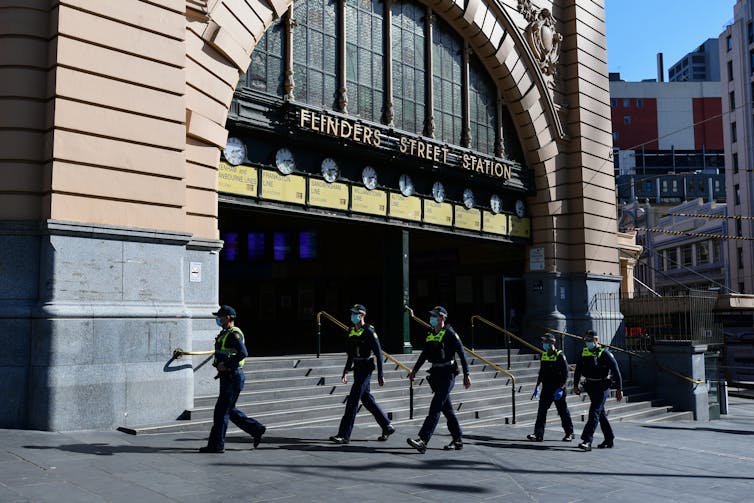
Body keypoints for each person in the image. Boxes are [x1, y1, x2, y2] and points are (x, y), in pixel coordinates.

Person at [199, 305, 266, 453]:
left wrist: (227, 365)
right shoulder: (225, 333)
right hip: (229, 376)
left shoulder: (233, 334)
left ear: (228, 317)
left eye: (220, 316)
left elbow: (243, 352)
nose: (218, 318)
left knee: (221, 412)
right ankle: (256, 429)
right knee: (229, 410)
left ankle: (216, 445)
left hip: (232, 376)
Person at [407, 306, 471, 453]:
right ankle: (458, 439)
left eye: (435, 316)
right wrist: (414, 370)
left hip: (448, 375)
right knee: (447, 409)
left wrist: (467, 374)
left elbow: (461, 353)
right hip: (436, 374)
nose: (432, 318)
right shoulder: (430, 333)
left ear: (442, 318)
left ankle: (423, 440)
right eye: (432, 316)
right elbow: (424, 354)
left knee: (435, 407)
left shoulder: (450, 333)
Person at [329, 304, 395, 444]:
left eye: (356, 314)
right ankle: (387, 425)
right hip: (357, 368)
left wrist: (380, 374)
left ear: (362, 315)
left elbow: (378, 353)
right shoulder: (352, 331)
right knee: (367, 399)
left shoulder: (369, 331)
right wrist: (346, 371)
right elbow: (351, 353)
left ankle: (344, 435)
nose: (353, 316)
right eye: (352, 313)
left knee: (352, 401)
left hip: (366, 368)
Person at [572, 329, 623, 451]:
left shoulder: (605, 353)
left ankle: (587, 441)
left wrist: (619, 389)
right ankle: (609, 438)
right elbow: (578, 370)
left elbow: (616, 372)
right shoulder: (584, 352)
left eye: (590, 340)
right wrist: (575, 385)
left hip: (602, 386)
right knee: (600, 414)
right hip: (590, 386)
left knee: (594, 411)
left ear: (596, 340)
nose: (587, 343)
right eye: (586, 340)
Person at [526, 333, 575, 442]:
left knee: (562, 411)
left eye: (546, 342)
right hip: (547, 388)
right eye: (543, 342)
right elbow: (542, 372)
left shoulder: (560, 355)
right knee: (541, 411)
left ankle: (569, 433)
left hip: (557, 388)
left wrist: (561, 388)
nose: (544, 344)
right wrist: (537, 386)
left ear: (552, 343)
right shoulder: (544, 355)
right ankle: (538, 434)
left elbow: (566, 373)